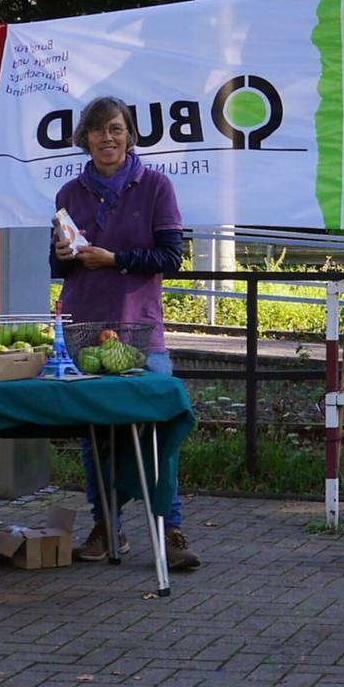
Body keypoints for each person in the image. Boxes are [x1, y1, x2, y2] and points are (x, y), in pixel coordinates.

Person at [52, 95, 200, 570]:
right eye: (98, 130)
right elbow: (57, 266)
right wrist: (63, 253)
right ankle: (105, 526)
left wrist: (114, 260)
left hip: (141, 333)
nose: (107, 138)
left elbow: (171, 258)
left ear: (129, 134)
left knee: (156, 433)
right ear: (85, 139)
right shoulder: (69, 194)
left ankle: (169, 529)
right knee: (97, 436)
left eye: (115, 129)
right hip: (83, 331)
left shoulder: (156, 186)